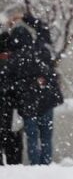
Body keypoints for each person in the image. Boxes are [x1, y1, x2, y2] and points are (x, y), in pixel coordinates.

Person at [6, 11, 63, 165]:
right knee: (46, 137)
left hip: (28, 103)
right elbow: (43, 28)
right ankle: (46, 164)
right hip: (46, 99)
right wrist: (25, 17)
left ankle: (35, 166)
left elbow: (9, 84)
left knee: (32, 137)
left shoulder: (14, 60)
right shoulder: (42, 48)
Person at [0, 30, 24, 165]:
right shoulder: (14, 64)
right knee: (13, 137)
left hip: (6, 104)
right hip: (12, 106)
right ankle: (14, 163)